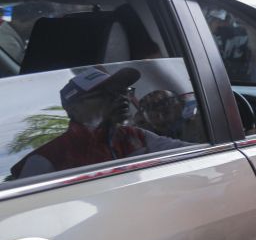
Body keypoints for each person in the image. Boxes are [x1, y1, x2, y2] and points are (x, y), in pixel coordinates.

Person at [11, 66, 190, 178]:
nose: (121, 98)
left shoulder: (135, 136)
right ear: (74, 108)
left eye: (122, 91)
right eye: (106, 94)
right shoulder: (46, 158)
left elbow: (190, 151)